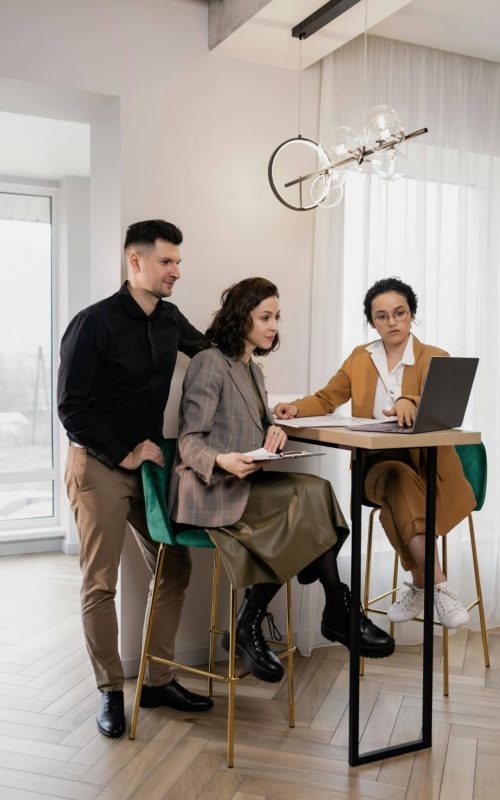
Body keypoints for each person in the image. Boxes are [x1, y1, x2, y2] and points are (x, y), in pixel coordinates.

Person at [169, 277, 394, 683]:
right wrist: (220, 459)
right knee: (304, 511)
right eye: (265, 317)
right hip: (210, 487)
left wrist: (273, 431)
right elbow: (189, 440)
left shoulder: (252, 370)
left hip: (243, 483)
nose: (273, 326)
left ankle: (269, 618)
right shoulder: (210, 362)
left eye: (277, 317)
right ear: (242, 318)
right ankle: (332, 610)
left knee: (318, 490)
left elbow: (254, 424)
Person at [57, 219, 214, 740]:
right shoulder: (93, 323)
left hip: (147, 468)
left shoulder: (169, 319)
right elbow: (71, 407)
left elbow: (212, 353)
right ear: (136, 261)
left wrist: (259, 329)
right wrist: (123, 454)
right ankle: (110, 690)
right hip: (99, 465)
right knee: (100, 583)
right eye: (167, 261)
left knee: (174, 563)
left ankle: (157, 680)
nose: (176, 271)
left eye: (178, 262)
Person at [275, 276, 475, 629]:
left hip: (427, 469)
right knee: (395, 478)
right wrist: (296, 407)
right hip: (374, 466)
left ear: (412, 315)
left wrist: (408, 400)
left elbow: (443, 407)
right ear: (372, 321)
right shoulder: (360, 358)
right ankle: (439, 586)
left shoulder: (435, 357)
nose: (392, 321)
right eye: (382, 316)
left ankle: (421, 583)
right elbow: (327, 398)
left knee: (399, 492)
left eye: (400, 313)